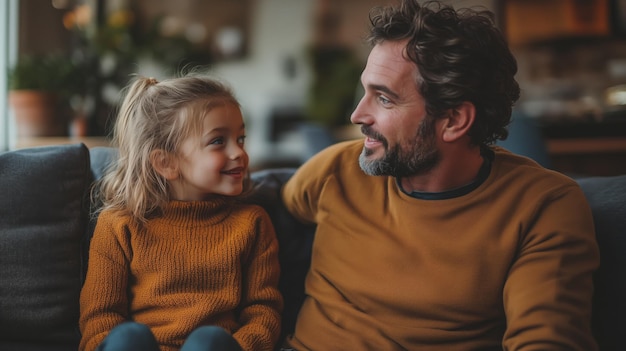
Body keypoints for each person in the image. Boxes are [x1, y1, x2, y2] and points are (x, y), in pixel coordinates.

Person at [280, 1, 599, 350]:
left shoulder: (542, 206)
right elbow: (253, 213)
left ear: (454, 120)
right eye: (364, 91)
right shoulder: (333, 171)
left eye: (384, 99)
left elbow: (546, 341)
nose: (358, 115)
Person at [79, 75, 283, 351]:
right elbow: (100, 318)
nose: (240, 153)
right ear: (166, 162)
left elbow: (263, 311)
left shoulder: (252, 223)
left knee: (208, 341)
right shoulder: (119, 224)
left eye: (241, 138)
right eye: (218, 141)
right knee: (128, 338)